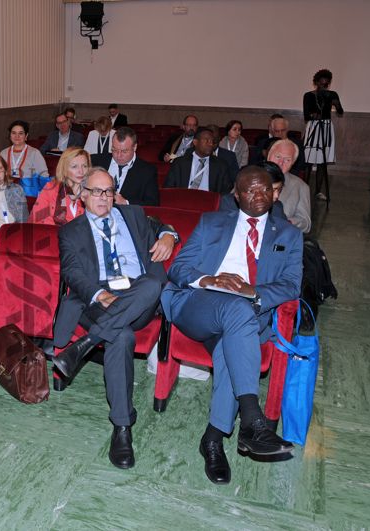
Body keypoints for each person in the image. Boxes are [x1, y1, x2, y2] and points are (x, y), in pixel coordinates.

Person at [161, 166, 303, 485]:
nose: (258, 196)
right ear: (236, 196)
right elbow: (179, 268)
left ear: (274, 193)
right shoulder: (212, 223)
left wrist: (253, 291)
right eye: (250, 191)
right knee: (237, 312)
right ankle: (253, 420)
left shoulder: (289, 234)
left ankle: (213, 439)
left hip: (245, 315)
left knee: (231, 343)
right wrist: (209, 279)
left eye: (265, 190)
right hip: (197, 303)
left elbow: (293, 284)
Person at [52, 168, 177, 469]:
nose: (103, 198)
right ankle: (122, 428)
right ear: (83, 195)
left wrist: (169, 235)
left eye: (108, 191)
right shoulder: (71, 231)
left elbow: (165, 226)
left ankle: (85, 343)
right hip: (99, 298)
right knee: (120, 336)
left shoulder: (132, 215)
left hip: (139, 295)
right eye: (96, 191)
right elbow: (72, 273)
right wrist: (98, 294)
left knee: (151, 284)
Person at [303, 69, 344, 201]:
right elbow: (306, 115)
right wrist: (313, 115)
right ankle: (304, 189)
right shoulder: (308, 95)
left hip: (326, 127)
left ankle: (318, 191)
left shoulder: (332, 94)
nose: (324, 86)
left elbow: (340, 112)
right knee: (308, 159)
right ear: (316, 82)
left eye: (326, 84)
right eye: (321, 84)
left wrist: (337, 104)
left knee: (322, 161)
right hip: (314, 127)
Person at [91, 127, 159, 206]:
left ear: (135, 147)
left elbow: (152, 203)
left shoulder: (147, 171)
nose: (119, 155)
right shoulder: (96, 161)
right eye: (114, 150)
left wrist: (126, 203)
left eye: (124, 151)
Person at [28, 148, 90, 225]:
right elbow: (38, 220)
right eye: (74, 166)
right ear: (64, 169)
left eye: (84, 166)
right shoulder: (51, 189)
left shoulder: (93, 192)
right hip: (53, 234)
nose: (81, 171)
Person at [165, 127, 232, 194]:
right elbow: (168, 188)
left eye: (212, 141)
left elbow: (226, 192)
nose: (211, 144)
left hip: (209, 202)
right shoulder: (179, 163)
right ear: (195, 142)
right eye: (207, 140)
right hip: (183, 199)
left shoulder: (221, 165)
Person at [266, 139, 312, 232]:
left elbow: (306, 223)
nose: (281, 163)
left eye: (287, 159)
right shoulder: (249, 176)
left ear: (293, 163)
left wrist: (287, 222)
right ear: (268, 156)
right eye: (278, 156)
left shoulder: (301, 186)